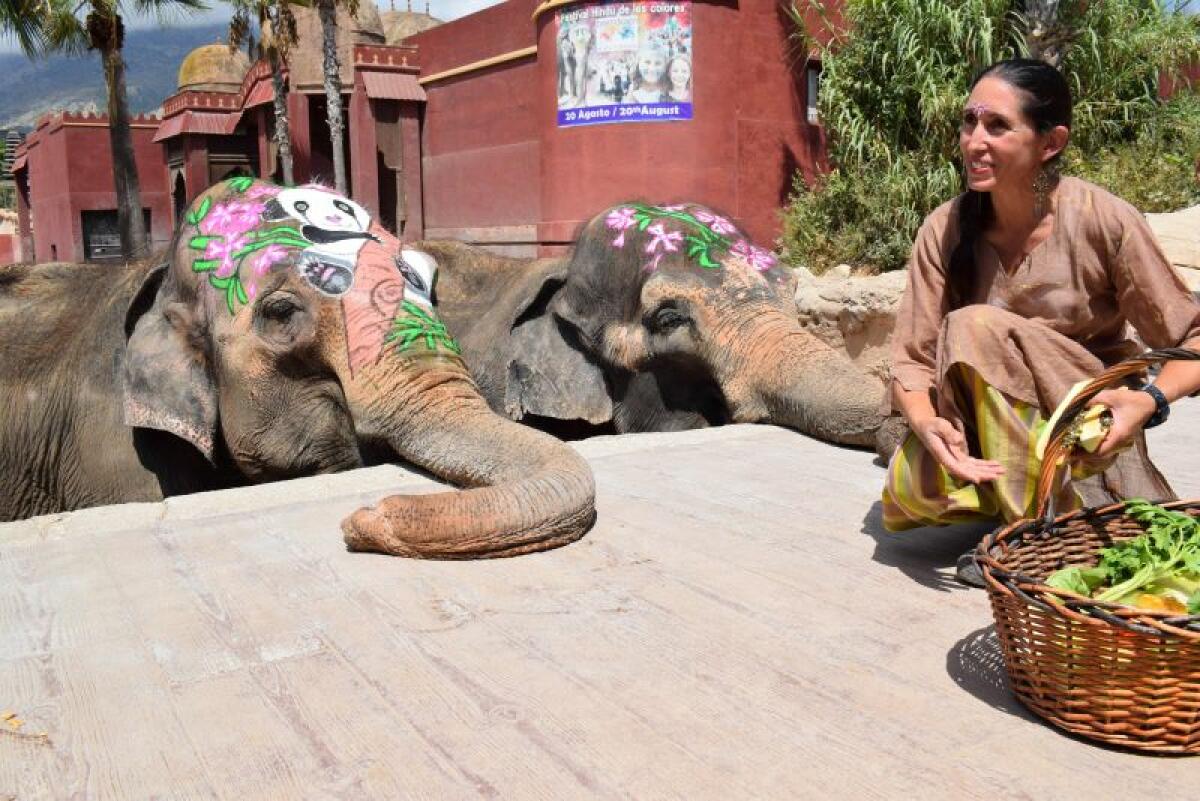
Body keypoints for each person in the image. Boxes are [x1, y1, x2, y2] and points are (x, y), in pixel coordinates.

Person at [881, 59, 1200, 580]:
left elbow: (1193, 339)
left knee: (974, 326)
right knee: (912, 491)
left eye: (997, 126)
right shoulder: (944, 229)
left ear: (1050, 143)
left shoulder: (1103, 219)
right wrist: (927, 423)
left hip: (1080, 415)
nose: (973, 141)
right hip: (983, 424)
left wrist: (1148, 400)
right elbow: (910, 362)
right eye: (968, 123)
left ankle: (1036, 533)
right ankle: (1019, 501)